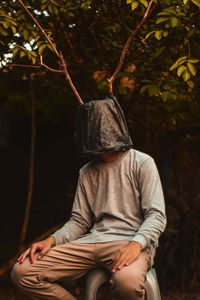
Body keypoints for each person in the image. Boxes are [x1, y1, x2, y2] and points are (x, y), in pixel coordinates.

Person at [11, 96, 167, 300]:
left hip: (130, 242)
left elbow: (156, 215)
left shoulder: (142, 163)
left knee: (127, 283)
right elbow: (79, 221)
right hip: (92, 242)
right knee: (23, 272)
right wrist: (51, 240)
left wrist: (136, 243)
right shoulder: (86, 172)